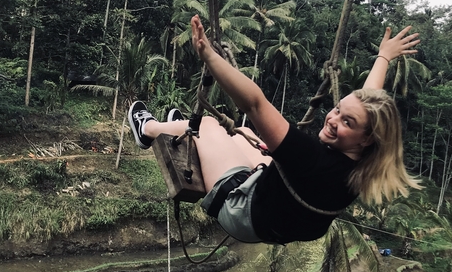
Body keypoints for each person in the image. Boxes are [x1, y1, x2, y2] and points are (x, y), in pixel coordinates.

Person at [129, 14, 421, 245]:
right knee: (249, 135)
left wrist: (208, 56)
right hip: (278, 216)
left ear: (367, 138)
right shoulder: (365, 161)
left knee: (209, 125)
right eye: (337, 109)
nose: (332, 119)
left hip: (242, 212)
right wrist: (384, 56)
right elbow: (367, 104)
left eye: (347, 122)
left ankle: (149, 129)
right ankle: (179, 126)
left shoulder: (312, 159)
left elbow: (255, 104)